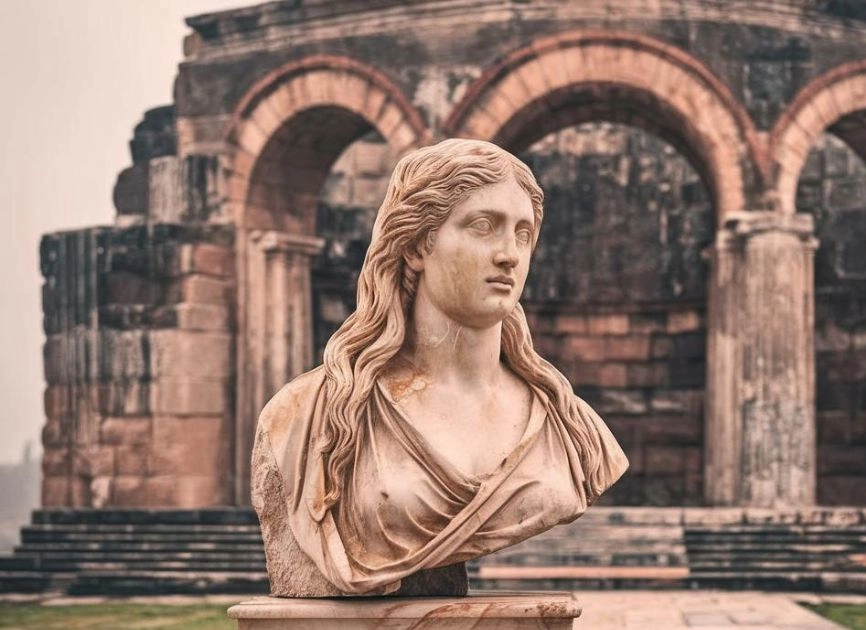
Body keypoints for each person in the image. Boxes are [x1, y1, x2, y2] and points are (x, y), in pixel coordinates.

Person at [250, 138, 628, 597]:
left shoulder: (570, 427)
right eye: (483, 226)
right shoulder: (303, 416)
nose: (509, 254)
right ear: (416, 248)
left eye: (523, 233)